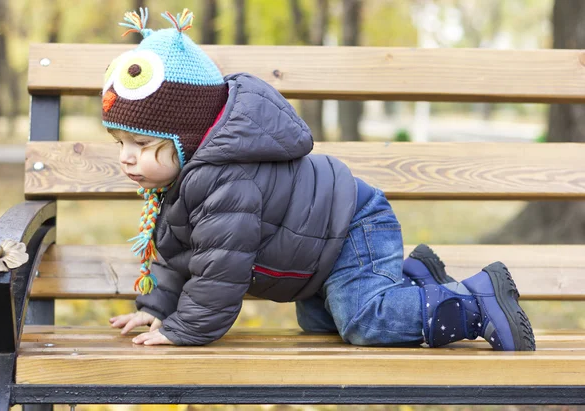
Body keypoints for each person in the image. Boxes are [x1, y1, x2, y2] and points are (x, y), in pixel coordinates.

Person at [105, 8, 535, 351]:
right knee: (321, 323)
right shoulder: (186, 179)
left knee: (363, 321)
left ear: (187, 139)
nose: (126, 158)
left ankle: (479, 301)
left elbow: (221, 270)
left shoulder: (224, 180)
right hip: (317, 255)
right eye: (119, 142)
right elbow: (182, 253)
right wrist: (157, 307)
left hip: (352, 226)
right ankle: (418, 281)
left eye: (141, 144)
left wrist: (186, 329)